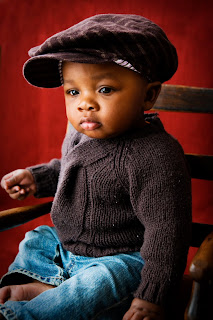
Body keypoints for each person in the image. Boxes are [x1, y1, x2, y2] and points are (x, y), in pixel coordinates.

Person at [0, 14, 192, 320]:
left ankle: (27, 312)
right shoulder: (79, 130)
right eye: (73, 92)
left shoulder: (156, 155)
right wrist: (37, 179)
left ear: (148, 94)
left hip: (122, 257)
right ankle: (48, 292)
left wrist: (151, 298)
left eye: (104, 90)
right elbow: (71, 171)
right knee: (37, 238)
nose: (84, 104)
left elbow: (167, 232)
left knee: (105, 280)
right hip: (70, 248)